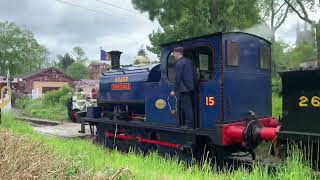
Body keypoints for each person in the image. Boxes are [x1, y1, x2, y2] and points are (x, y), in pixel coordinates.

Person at [170, 47, 195, 129]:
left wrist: (174, 90)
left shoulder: (179, 63)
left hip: (183, 89)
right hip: (190, 87)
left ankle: (190, 125)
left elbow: (178, 78)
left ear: (177, 53)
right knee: (189, 107)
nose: (174, 55)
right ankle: (189, 124)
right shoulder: (189, 61)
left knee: (186, 108)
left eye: (174, 53)